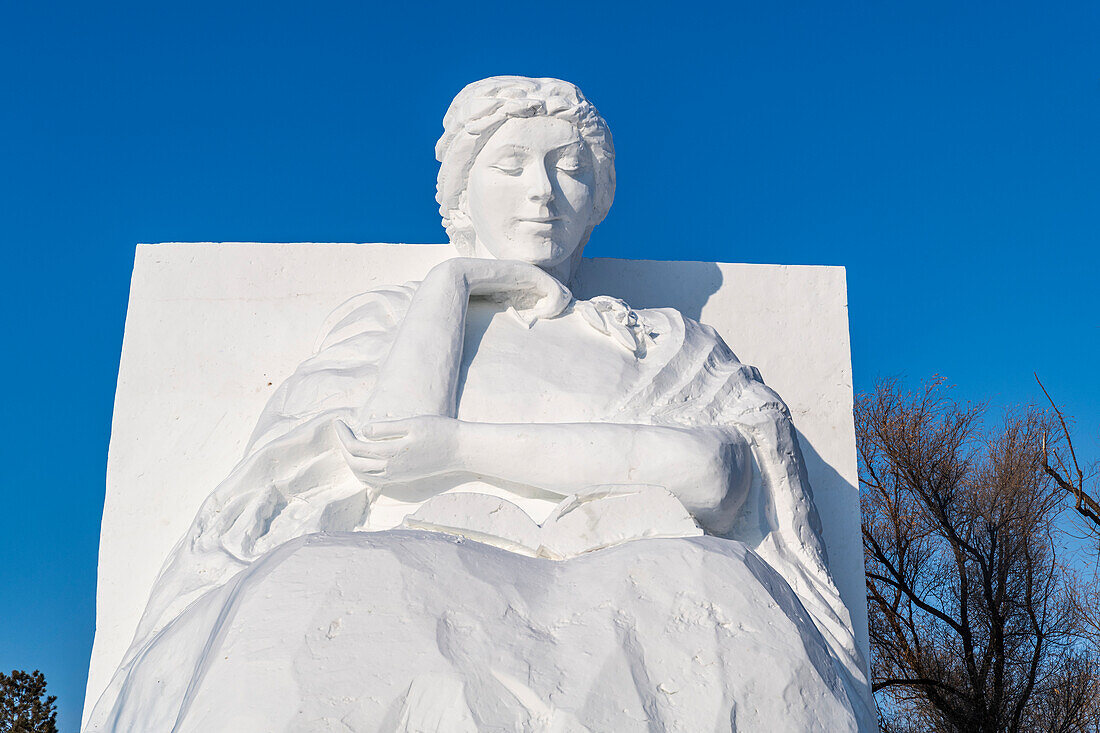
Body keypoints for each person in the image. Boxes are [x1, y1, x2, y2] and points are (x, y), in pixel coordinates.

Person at [87, 77, 870, 730]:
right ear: (461, 193)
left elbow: (711, 472)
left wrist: (459, 449)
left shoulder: (662, 341)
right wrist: (452, 285)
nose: (541, 191)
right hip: (418, 572)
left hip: (643, 577)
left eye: (568, 168)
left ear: (598, 197)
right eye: (510, 165)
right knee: (313, 609)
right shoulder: (398, 322)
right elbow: (386, 452)